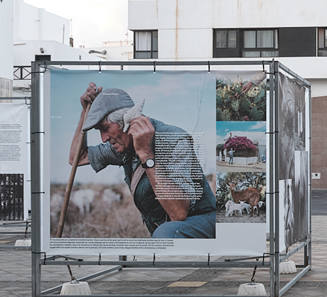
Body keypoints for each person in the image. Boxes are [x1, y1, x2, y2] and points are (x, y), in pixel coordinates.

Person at [69, 82, 216, 238]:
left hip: (202, 221)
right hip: (170, 230)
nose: (103, 139)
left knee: (166, 233)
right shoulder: (122, 144)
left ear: (126, 122)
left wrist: (146, 155)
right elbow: (77, 158)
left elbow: (178, 213)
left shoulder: (174, 139)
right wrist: (86, 111)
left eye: (105, 128)